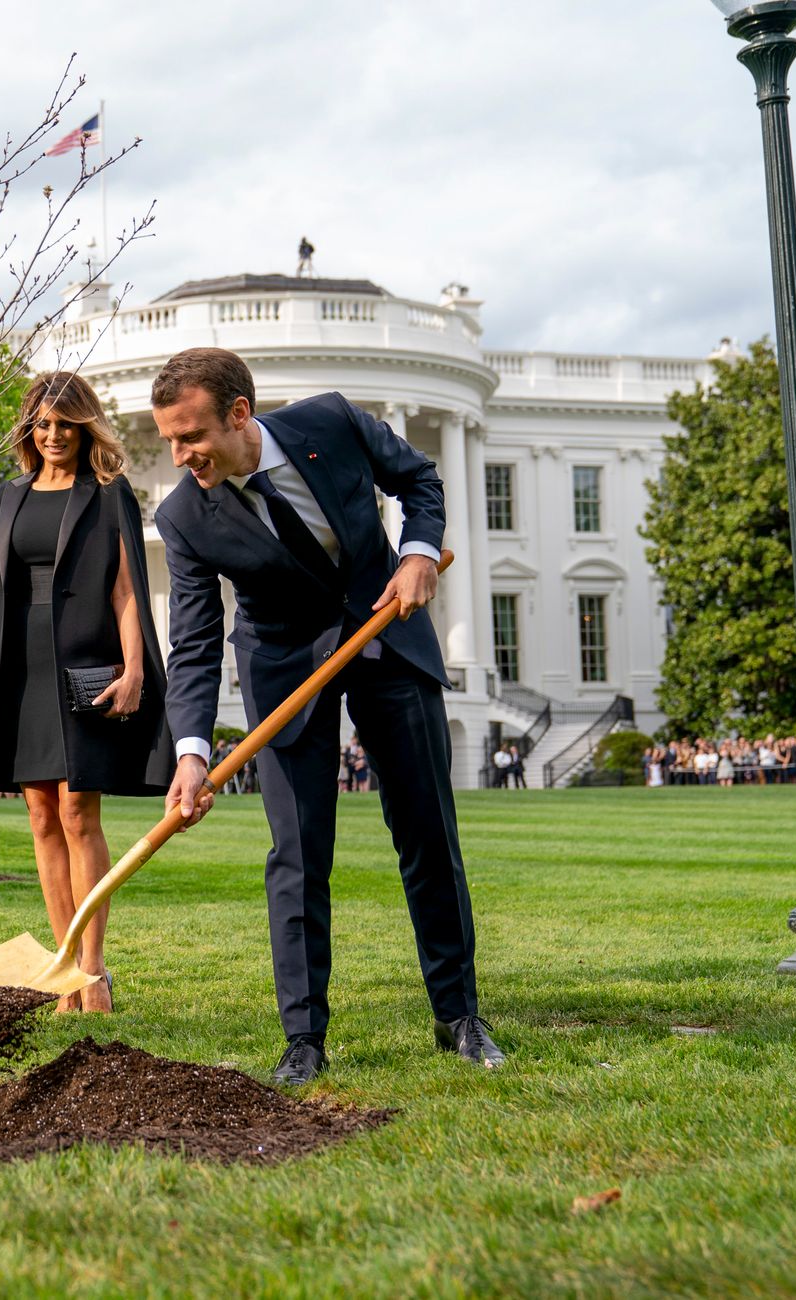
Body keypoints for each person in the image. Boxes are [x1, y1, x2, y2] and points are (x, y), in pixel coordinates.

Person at [151, 347, 501, 1085]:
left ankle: (459, 1015)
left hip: (385, 632)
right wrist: (190, 750)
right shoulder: (184, 515)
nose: (180, 456)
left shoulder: (333, 421)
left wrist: (416, 553)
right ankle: (304, 1038)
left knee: (427, 834)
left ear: (239, 415)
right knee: (297, 855)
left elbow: (420, 480)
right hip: (283, 672)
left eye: (191, 438)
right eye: (170, 441)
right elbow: (193, 640)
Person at [0, 371, 173, 1014]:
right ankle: (62, 964)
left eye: (64, 424)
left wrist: (135, 671)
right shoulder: (7, 497)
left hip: (83, 666)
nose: (52, 435)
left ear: (83, 425)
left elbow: (126, 590)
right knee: (40, 816)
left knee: (78, 815)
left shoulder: (108, 493)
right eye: (41, 424)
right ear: (29, 430)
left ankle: (92, 971)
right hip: (20, 671)